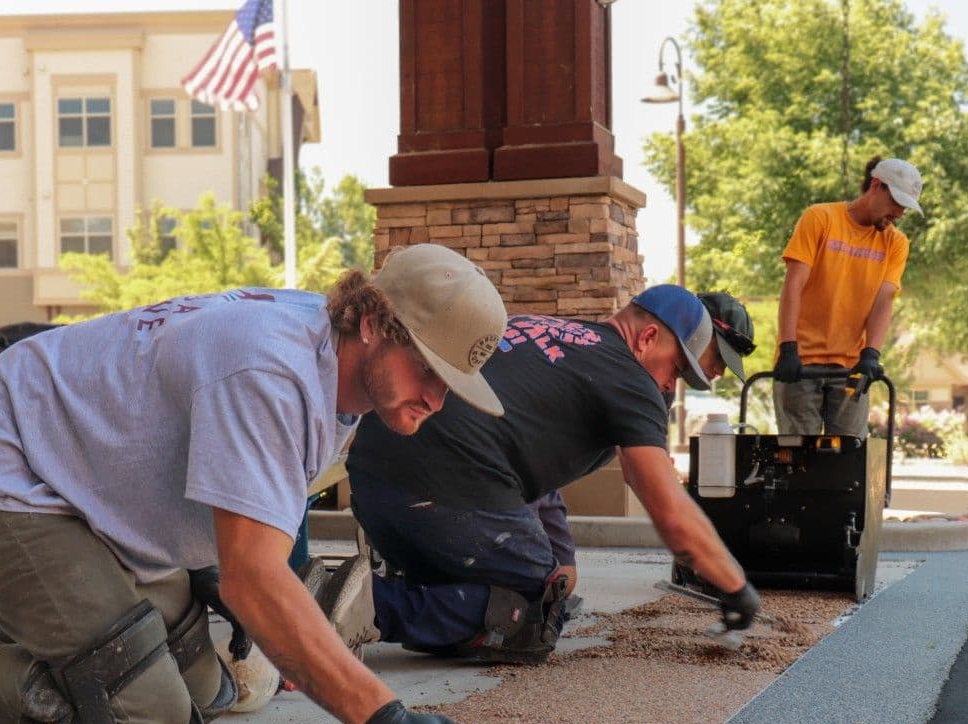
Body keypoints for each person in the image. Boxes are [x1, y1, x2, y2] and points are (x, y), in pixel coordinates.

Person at [0, 244, 509, 724]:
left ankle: (52, 638)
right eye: (428, 368)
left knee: (209, 693)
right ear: (374, 323)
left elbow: (237, 509)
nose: (436, 398)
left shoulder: (332, 363)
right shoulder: (272, 369)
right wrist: (381, 717)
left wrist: (210, 563)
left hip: (83, 487)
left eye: (450, 383)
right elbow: (255, 577)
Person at [344, 286, 761, 664]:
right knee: (535, 609)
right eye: (677, 370)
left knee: (536, 583)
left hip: (372, 479)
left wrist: (560, 556)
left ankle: (380, 592)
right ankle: (366, 607)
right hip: (441, 488)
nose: (671, 386)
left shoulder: (553, 336)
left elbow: (525, 462)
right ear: (647, 338)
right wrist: (733, 584)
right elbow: (667, 505)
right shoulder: (631, 379)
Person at [773, 155, 922, 437]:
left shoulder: (896, 243)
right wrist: (788, 348)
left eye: (905, 207)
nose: (899, 213)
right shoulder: (820, 218)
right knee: (798, 456)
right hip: (801, 363)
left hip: (851, 368)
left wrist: (871, 354)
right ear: (875, 186)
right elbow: (793, 285)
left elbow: (884, 300)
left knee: (851, 455)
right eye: (896, 202)